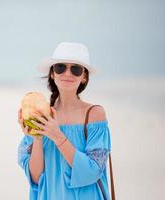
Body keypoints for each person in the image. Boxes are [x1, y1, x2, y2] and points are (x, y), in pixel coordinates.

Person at [17, 42, 112, 200]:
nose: (67, 73)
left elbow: (92, 172)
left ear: (84, 77)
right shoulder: (40, 114)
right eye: (60, 67)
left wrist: (57, 135)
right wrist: (37, 138)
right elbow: (35, 178)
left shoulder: (94, 114)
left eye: (75, 69)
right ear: (52, 74)